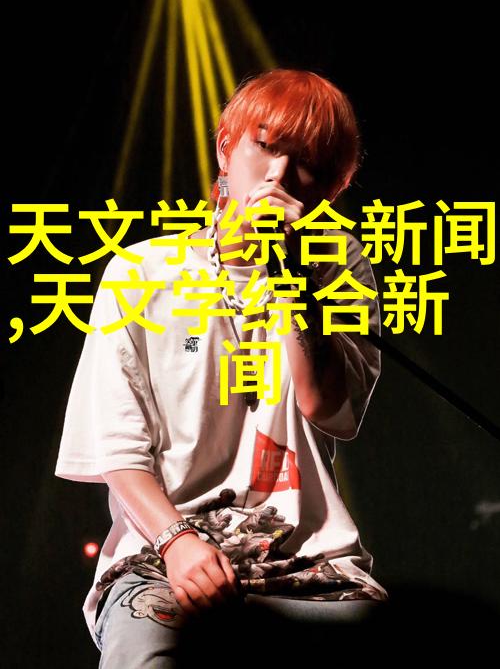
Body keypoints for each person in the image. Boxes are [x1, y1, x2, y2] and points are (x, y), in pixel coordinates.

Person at [55, 68, 388, 667]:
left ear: (331, 190)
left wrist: (291, 274)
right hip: (163, 560)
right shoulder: (143, 272)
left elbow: (327, 407)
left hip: (312, 566)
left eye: (308, 164)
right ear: (226, 149)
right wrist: (177, 542)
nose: (279, 174)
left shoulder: (339, 269)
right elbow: (117, 449)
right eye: (266, 146)